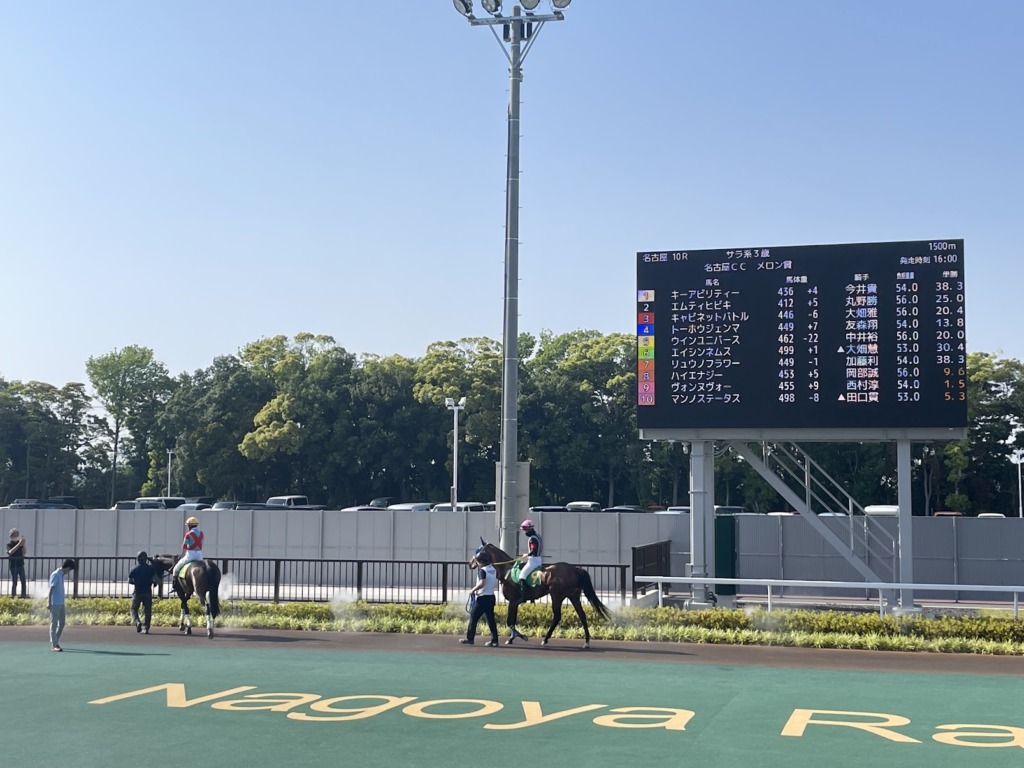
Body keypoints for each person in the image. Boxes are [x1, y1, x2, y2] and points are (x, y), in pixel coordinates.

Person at [460, 551, 499, 647]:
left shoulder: (483, 571)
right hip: (491, 597)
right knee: (490, 620)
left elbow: (482, 583)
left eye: (477, 562)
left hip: (482, 598)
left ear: (480, 561)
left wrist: (473, 590)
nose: (476, 563)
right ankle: (494, 640)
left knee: (473, 617)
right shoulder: (493, 569)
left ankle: (470, 639)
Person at [48, 558, 76, 651]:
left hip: (61, 603)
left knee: (62, 623)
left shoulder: (61, 575)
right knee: (54, 623)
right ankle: (54, 645)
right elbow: (51, 590)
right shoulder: (56, 575)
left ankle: (55, 641)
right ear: (67, 567)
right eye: (70, 569)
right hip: (55, 603)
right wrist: (49, 603)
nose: (69, 572)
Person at [128, 551, 157, 634]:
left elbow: (130, 581)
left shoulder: (134, 569)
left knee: (133, 609)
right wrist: (153, 582)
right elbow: (156, 579)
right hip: (147, 592)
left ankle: (137, 622)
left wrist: (136, 582)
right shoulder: (150, 569)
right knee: (147, 610)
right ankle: (146, 627)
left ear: (137, 559)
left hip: (137, 592)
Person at [7, 528, 27, 598]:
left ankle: (23, 595)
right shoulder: (9, 544)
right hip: (13, 566)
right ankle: (13, 595)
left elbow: (24, 552)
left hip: (20, 564)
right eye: (14, 535)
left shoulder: (20, 544)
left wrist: (23, 544)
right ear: (11, 536)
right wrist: (18, 544)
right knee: (14, 581)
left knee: (23, 581)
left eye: (16, 535)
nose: (16, 537)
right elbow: (10, 552)